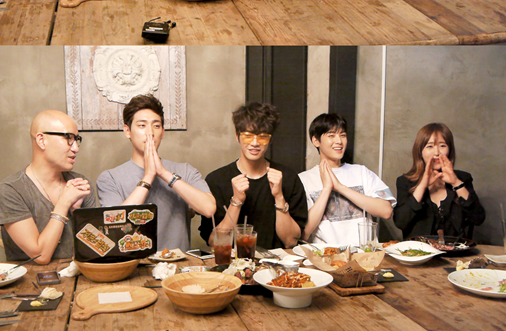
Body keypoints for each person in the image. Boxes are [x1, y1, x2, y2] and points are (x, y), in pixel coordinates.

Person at [96, 94, 216, 248]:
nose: (150, 132)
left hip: (178, 262)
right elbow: (116, 229)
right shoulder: (110, 178)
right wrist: (148, 176)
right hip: (133, 263)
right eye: (142, 125)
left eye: (156, 126)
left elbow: (209, 209)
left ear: (163, 132)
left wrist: (164, 174)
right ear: (127, 131)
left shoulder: (185, 171)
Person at [200, 101, 307, 250]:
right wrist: (236, 201)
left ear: (270, 140)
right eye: (248, 136)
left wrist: (279, 197)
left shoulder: (288, 178)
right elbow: (215, 242)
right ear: (237, 136)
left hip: (277, 262)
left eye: (262, 137)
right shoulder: (217, 180)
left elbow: (291, 241)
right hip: (232, 263)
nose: (255, 143)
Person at [0, 109, 93, 262]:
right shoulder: (9, 190)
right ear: (41, 140)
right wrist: (64, 203)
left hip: (79, 275)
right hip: (30, 277)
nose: (76, 148)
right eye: (68, 138)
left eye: (76, 139)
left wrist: (77, 212)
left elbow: (99, 248)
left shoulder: (79, 183)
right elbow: (40, 256)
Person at [300, 112, 394, 247]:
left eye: (342, 135)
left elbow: (386, 211)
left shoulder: (361, 172)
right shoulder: (304, 179)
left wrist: (340, 187)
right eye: (331, 135)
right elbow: (303, 233)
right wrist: (326, 189)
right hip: (325, 255)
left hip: (364, 254)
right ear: (316, 141)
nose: (339, 141)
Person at [394, 123, 485, 240]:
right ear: (420, 151)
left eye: (442, 146)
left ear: (449, 149)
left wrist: (456, 183)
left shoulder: (463, 178)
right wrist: (422, 185)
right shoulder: (405, 181)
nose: (436, 152)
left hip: (455, 249)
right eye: (430, 146)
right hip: (419, 249)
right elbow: (400, 222)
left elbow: (478, 218)